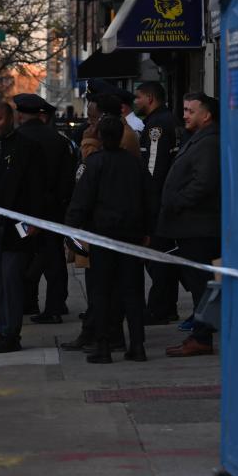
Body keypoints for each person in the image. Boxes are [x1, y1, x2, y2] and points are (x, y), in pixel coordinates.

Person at [66, 114, 155, 363]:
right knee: (133, 293)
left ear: (101, 138)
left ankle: (103, 345)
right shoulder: (135, 164)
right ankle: (137, 345)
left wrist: (71, 229)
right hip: (131, 238)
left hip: (103, 238)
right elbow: (150, 200)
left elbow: (82, 200)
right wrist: (148, 231)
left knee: (101, 293)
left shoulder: (95, 164)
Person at [0, 101, 45, 353]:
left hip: (17, 228)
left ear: (10, 118)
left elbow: (38, 189)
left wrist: (33, 222)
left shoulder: (28, 148)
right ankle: (4, 330)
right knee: (0, 284)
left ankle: (10, 333)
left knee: (11, 281)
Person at [161, 93, 222, 358]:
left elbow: (204, 182)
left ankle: (202, 336)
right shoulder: (199, 139)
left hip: (198, 227)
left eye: (190, 111)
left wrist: (177, 202)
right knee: (199, 283)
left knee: (201, 285)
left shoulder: (209, 143)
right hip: (190, 226)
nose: (184, 115)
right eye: (184, 110)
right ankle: (201, 332)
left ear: (206, 115)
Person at [14, 93, 74, 324]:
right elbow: (67, 179)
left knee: (22, 257)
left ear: (21, 114)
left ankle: (26, 302)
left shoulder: (17, 139)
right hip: (52, 211)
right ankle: (56, 305)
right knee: (53, 258)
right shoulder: (58, 140)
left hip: (22, 213)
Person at [135, 81, 187, 324]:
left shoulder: (156, 125)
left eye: (139, 98)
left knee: (157, 258)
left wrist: (147, 200)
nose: (136, 102)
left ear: (150, 98)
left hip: (159, 202)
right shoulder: (172, 120)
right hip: (172, 198)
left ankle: (159, 308)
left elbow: (153, 168)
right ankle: (168, 306)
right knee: (166, 255)